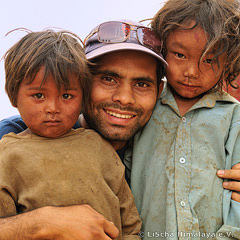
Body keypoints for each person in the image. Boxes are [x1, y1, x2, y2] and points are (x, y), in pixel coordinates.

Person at [0, 20, 167, 239]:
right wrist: (41, 223)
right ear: (85, 82)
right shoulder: (8, 139)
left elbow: (130, 225)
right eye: (108, 79)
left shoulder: (167, 145)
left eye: (142, 84)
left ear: (159, 90)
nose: (125, 98)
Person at [130, 0, 240, 239]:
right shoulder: (144, 106)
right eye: (180, 55)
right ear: (162, 49)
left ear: (229, 60)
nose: (191, 71)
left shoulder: (234, 117)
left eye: (209, 60)